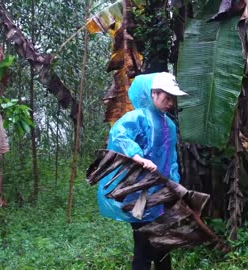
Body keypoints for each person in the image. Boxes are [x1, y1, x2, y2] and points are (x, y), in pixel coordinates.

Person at [97, 72, 187, 270]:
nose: (170, 103)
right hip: (140, 193)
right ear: (153, 93)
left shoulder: (169, 125)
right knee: (144, 246)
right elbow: (119, 135)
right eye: (167, 97)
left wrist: (175, 186)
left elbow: (171, 159)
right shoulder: (138, 117)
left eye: (173, 99)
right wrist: (138, 156)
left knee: (164, 246)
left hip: (162, 194)